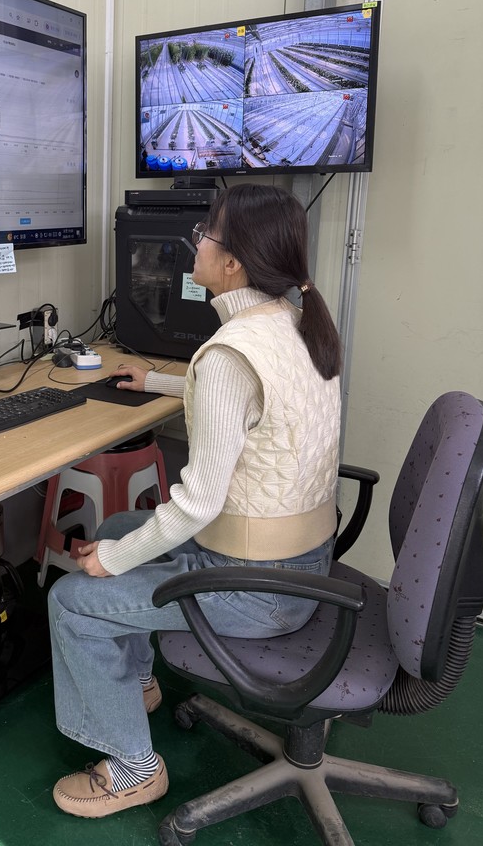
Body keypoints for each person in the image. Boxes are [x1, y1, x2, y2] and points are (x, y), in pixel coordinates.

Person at [48, 183, 342, 819]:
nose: (196, 244)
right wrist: (158, 380)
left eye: (204, 233)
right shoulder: (292, 323)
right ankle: (134, 685)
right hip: (304, 563)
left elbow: (198, 504)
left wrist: (113, 562)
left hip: (259, 589)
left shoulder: (231, 354)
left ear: (231, 262)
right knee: (121, 524)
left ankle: (133, 769)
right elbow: (248, 405)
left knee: (73, 600)